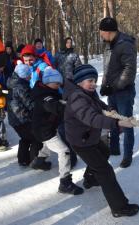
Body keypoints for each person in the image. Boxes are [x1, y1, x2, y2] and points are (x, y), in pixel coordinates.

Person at [63, 64, 139, 217]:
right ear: (79, 82)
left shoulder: (86, 93)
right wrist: (117, 123)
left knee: (104, 151)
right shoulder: (77, 97)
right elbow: (91, 117)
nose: (93, 84)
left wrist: (109, 109)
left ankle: (90, 178)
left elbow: (97, 105)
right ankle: (119, 207)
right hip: (81, 141)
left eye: (94, 80)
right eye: (89, 80)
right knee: (105, 171)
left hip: (89, 137)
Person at [31, 66, 83, 195]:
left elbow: (60, 99)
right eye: (56, 83)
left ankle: (39, 161)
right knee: (63, 151)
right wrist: (72, 109)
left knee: (49, 144)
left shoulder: (48, 91)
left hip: (45, 128)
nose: (58, 85)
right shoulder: (45, 97)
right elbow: (54, 106)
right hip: (44, 130)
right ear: (48, 82)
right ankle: (65, 182)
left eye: (59, 83)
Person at [99, 17, 137, 168]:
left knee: (126, 123)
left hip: (124, 92)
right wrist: (103, 85)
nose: (101, 34)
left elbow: (130, 71)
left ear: (108, 31)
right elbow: (107, 69)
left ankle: (127, 155)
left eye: (102, 32)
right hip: (112, 91)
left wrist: (114, 86)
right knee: (113, 119)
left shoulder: (125, 45)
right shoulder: (108, 45)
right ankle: (114, 148)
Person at [7, 63, 49, 169]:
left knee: (25, 138)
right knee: (36, 138)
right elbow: (29, 103)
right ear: (23, 75)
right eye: (29, 75)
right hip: (23, 119)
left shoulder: (11, 82)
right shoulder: (21, 86)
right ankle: (36, 161)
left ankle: (23, 159)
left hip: (14, 119)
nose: (30, 76)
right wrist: (42, 107)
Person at [54, 37, 82, 168]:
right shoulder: (58, 55)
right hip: (59, 85)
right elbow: (53, 68)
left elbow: (79, 69)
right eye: (67, 42)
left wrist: (79, 82)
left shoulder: (74, 55)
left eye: (71, 42)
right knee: (61, 113)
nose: (69, 44)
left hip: (71, 85)